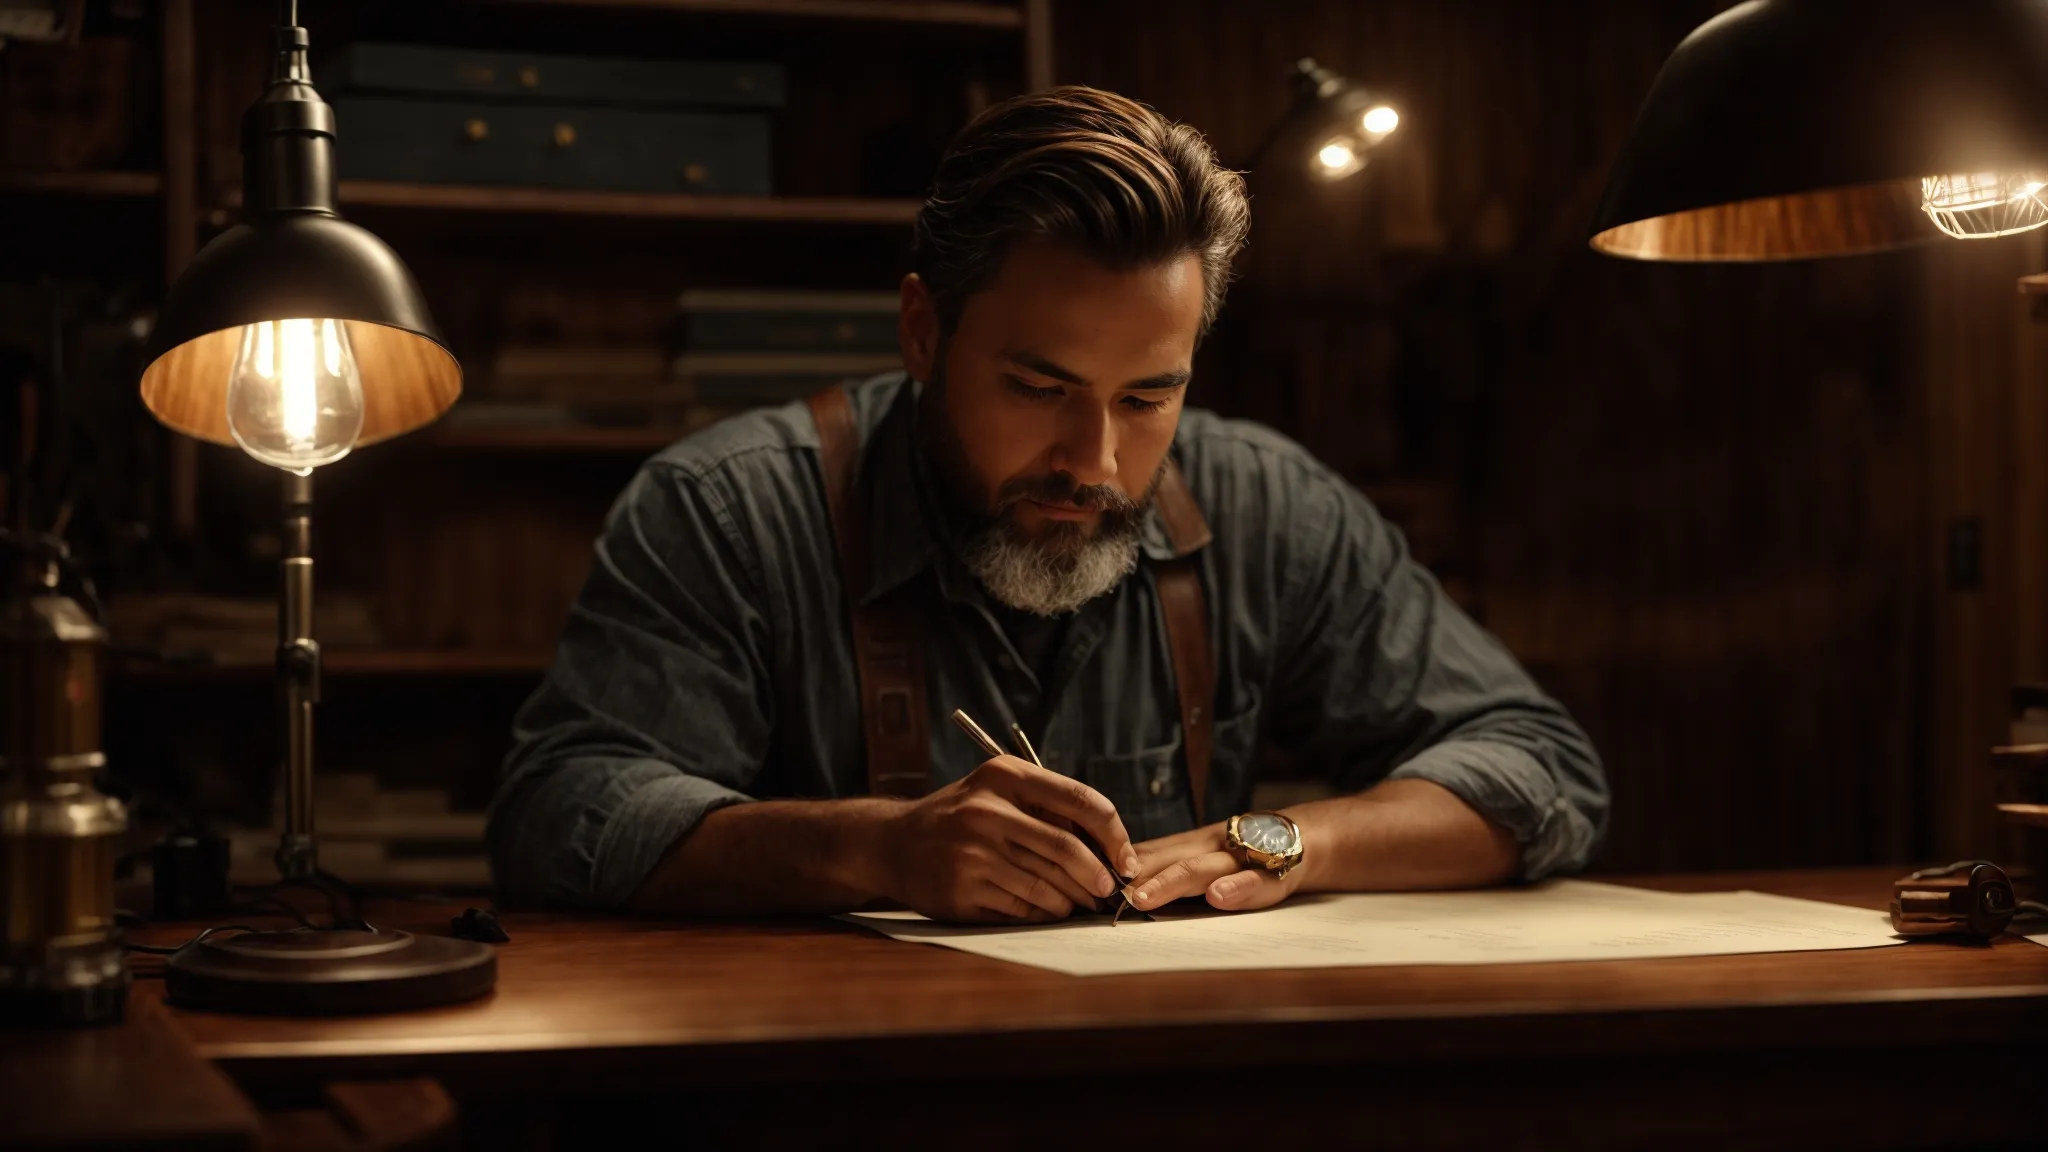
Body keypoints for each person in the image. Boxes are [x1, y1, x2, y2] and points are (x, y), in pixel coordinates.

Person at [486, 85, 1607, 923]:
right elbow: (559, 812)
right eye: (1038, 387)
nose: (1097, 458)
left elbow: (1535, 766)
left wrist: (1274, 841)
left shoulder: (1269, 504)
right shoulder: (726, 512)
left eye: (1147, 395)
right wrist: (875, 852)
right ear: (923, 330)